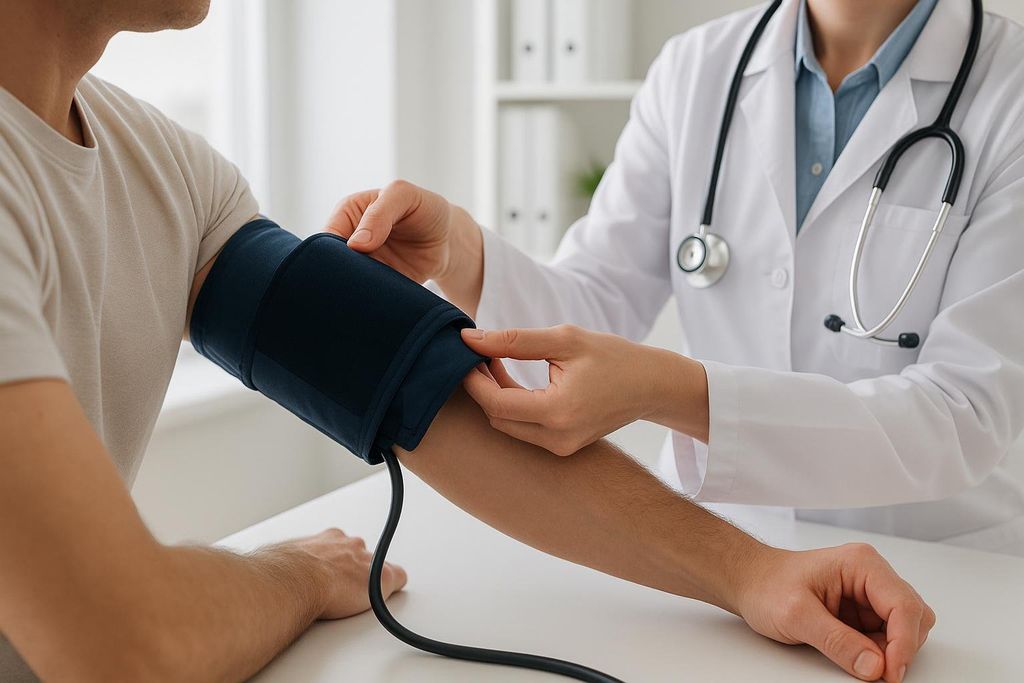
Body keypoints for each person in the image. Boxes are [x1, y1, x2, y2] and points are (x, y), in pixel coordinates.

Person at [0, 1, 933, 682]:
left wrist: (753, 572)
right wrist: (286, 574)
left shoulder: (165, 168)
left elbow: (427, 389)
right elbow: (125, 645)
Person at [335, 0, 1024, 554]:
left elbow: (966, 412)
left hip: (938, 563)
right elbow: (594, 306)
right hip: (719, 550)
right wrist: (460, 250)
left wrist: (672, 391)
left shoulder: (1010, 90)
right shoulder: (696, 70)